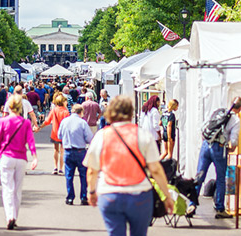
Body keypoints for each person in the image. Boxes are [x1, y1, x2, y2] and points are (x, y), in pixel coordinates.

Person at [84, 96, 174, 236]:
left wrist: (91, 192)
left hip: (109, 193)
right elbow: (155, 169)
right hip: (139, 194)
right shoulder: (143, 135)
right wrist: (167, 196)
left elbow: (91, 170)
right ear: (131, 113)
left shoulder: (101, 136)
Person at [0, 96, 38, 230]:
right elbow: (30, 141)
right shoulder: (26, 123)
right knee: (17, 189)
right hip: (21, 158)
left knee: (7, 188)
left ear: (9, 107)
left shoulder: (2, 122)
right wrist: (34, 157)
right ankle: (15, 216)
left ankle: (9, 215)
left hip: (6, 158)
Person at [194, 97, 241, 219]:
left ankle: (192, 204)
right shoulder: (235, 120)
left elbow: (204, 127)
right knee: (221, 178)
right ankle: (220, 208)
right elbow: (234, 139)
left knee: (199, 176)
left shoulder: (218, 112)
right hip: (219, 148)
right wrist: (231, 148)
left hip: (206, 145)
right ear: (240, 108)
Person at [59, 104, 94, 205]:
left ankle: (70, 197)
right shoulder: (82, 123)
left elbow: (59, 135)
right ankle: (83, 197)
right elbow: (89, 138)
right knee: (83, 175)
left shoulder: (64, 122)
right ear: (81, 112)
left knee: (69, 175)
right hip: (80, 151)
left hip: (68, 150)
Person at [36, 94, 70, 174]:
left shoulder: (54, 110)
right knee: (62, 151)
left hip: (55, 133)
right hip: (64, 134)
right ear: (62, 102)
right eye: (65, 101)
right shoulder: (66, 111)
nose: (66, 102)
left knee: (55, 150)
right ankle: (61, 169)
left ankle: (55, 167)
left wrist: (40, 127)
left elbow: (47, 121)